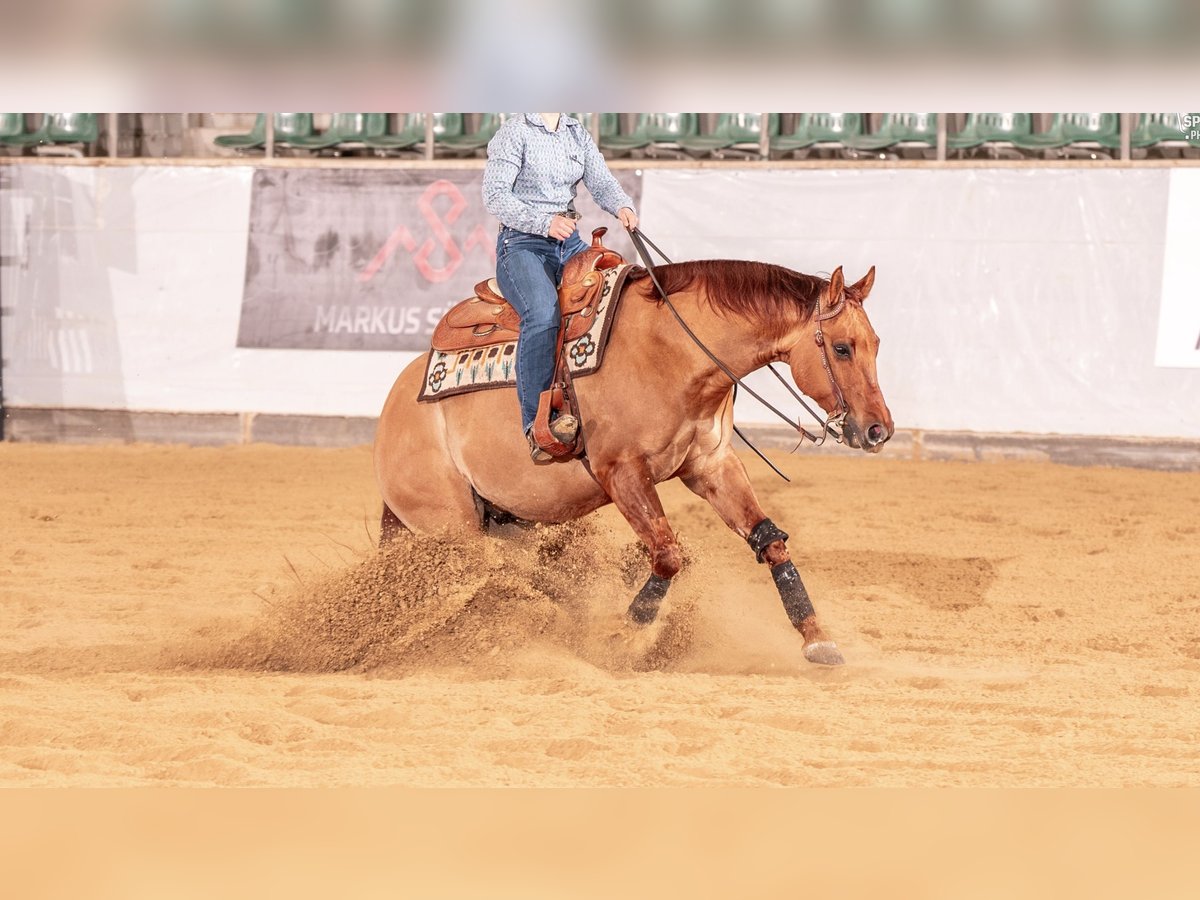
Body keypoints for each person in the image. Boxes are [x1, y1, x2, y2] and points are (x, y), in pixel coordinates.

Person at [482, 113, 639, 461]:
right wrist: (543, 222)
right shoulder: (515, 131)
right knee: (542, 314)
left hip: (567, 242)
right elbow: (495, 196)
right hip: (522, 243)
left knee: (619, 293)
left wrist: (622, 205)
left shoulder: (574, 131)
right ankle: (537, 425)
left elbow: (601, 182)